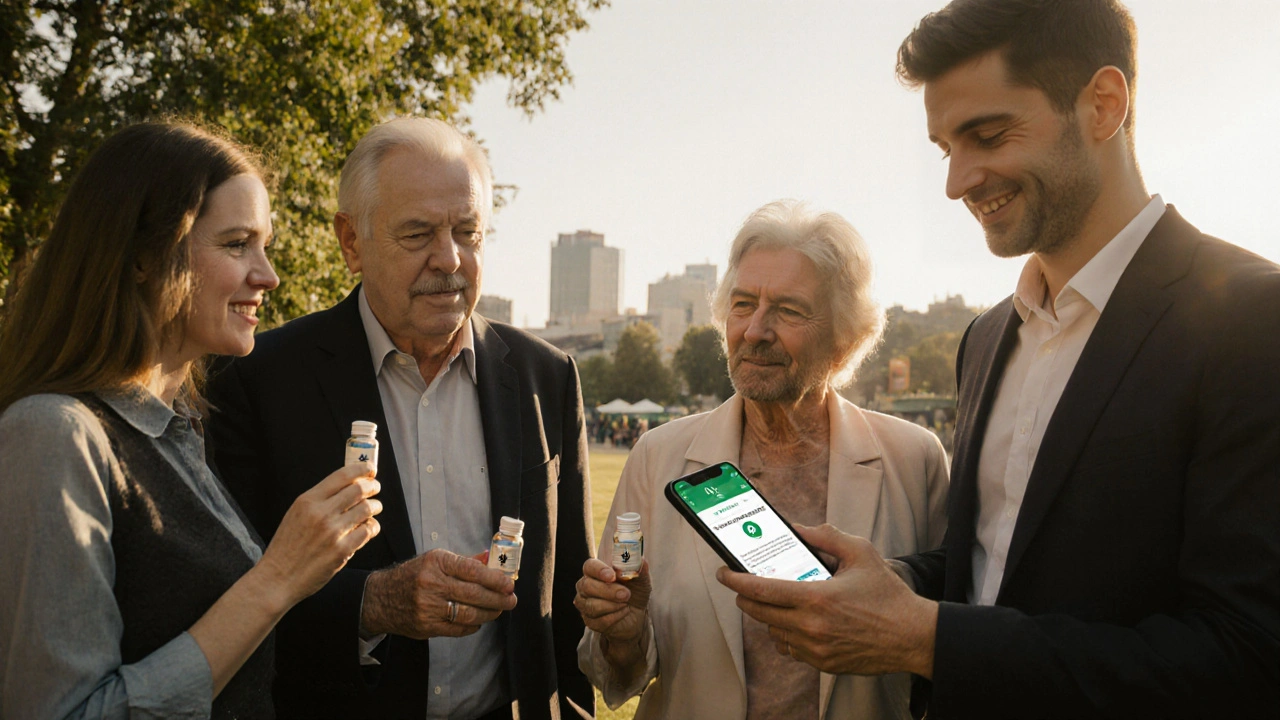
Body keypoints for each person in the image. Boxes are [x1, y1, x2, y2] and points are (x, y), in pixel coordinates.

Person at [718, 1, 1280, 717]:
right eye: (945, 148)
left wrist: (927, 638)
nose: (958, 181)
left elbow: (1249, 659)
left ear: (1103, 105)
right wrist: (884, 581)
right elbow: (992, 566)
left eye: (986, 135)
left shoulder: (1254, 320)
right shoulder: (987, 338)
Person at [206, 117, 594, 719]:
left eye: (468, 232)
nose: (450, 259)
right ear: (351, 241)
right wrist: (372, 602)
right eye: (417, 234)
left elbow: (566, 603)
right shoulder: (255, 379)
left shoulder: (547, 377)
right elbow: (228, 595)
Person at [0, 122, 382, 719]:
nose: (268, 276)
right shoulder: (55, 434)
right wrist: (277, 577)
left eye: (266, 245)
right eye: (236, 244)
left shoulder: (181, 428)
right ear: (144, 259)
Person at [574, 200, 949, 719]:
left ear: (845, 336)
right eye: (743, 304)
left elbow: (942, 651)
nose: (755, 330)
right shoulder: (657, 457)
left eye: (789, 310)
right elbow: (619, 670)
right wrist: (623, 631)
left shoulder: (915, 459)